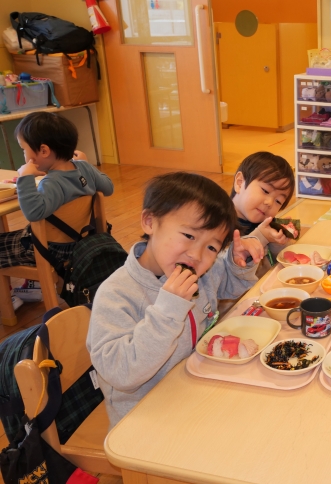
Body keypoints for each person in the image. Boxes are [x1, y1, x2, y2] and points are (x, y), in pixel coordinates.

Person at [87, 172, 263, 427]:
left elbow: (226, 283)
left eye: (212, 247)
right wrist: (167, 312)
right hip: (144, 420)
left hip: (194, 392)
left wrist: (238, 264)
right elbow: (121, 373)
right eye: (189, 236)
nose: (196, 254)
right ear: (150, 222)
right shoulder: (117, 294)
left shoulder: (199, 274)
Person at [0, 112, 113, 272]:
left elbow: (33, 213)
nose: (23, 154)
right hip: (82, 240)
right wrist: (86, 165)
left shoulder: (52, 183)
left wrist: (25, 178)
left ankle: (19, 286)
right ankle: (31, 283)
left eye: (24, 149)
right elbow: (108, 188)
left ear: (44, 151)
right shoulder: (84, 167)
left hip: (52, 250)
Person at [230, 152, 295, 276]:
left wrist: (277, 242)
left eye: (278, 201)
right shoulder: (216, 224)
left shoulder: (266, 224)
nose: (269, 203)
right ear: (240, 183)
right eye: (265, 191)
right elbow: (226, 271)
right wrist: (261, 236)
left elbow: (278, 266)